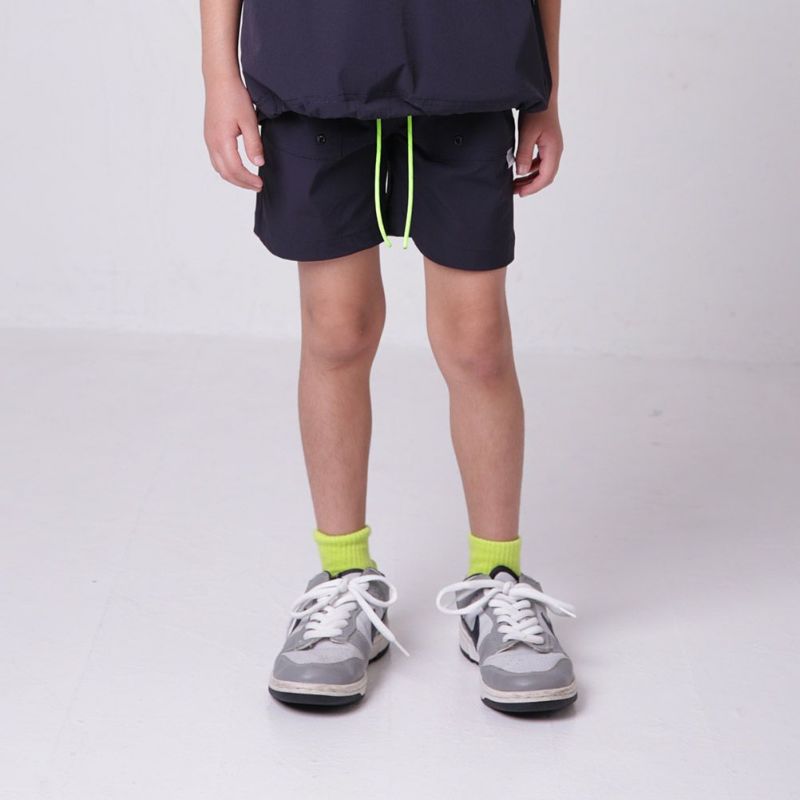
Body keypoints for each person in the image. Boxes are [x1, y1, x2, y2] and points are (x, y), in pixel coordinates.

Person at [200, 0, 577, 713]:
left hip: (469, 66)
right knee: (337, 330)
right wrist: (219, 77)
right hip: (316, 63)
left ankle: (496, 580)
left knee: (477, 344)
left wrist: (546, 95)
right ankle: (343, 577)